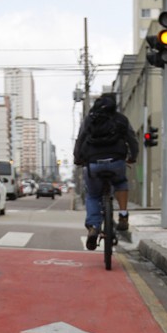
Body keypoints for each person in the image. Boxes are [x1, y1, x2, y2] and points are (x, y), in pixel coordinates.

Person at [73, 93, 139, 250]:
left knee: (93, 195)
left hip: (93, 164)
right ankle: (123, 216)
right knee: (121, 183)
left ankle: (94, 227)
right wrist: (133, 157)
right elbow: (132, 139)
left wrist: (78, 159)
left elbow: (80, 139)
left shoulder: (89, 119)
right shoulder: (121, 119)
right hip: (116, 162)